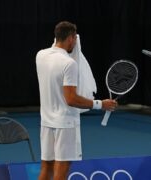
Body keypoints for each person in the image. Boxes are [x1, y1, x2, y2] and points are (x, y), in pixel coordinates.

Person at [36, 21, 117, 180]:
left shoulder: (40, 55)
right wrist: (100, 104)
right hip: (65, 124)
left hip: (46, 122)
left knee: (46, 168)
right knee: (62, 171)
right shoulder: (69, 63)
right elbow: (71, 99)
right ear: (71, 38)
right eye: (74, 38)